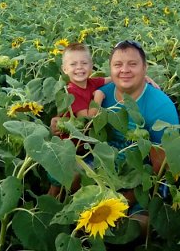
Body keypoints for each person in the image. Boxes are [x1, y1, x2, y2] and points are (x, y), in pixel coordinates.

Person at [48, 42, 160, 197]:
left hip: (82, 147)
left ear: (91, 66)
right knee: (59, 184)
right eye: (73, 64)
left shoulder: (91, 83)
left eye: (84, 63)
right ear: (64, 69)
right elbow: (87, 118)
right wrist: (98, 98)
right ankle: (50, 207)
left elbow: (114, 78)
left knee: (73, 185)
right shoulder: (71, 92)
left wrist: (141, 77)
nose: (79, 67)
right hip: (68, 147)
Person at [98, 40, 179, 236]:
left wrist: (122, 203)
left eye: (132, 64)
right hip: (106, 164)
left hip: (146, 172)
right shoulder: (101, 94)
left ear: (145, 68)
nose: (124, 70)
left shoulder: (160, 106)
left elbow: (162, 167)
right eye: (118, 65)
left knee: (135, 225)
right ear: (110, 70)